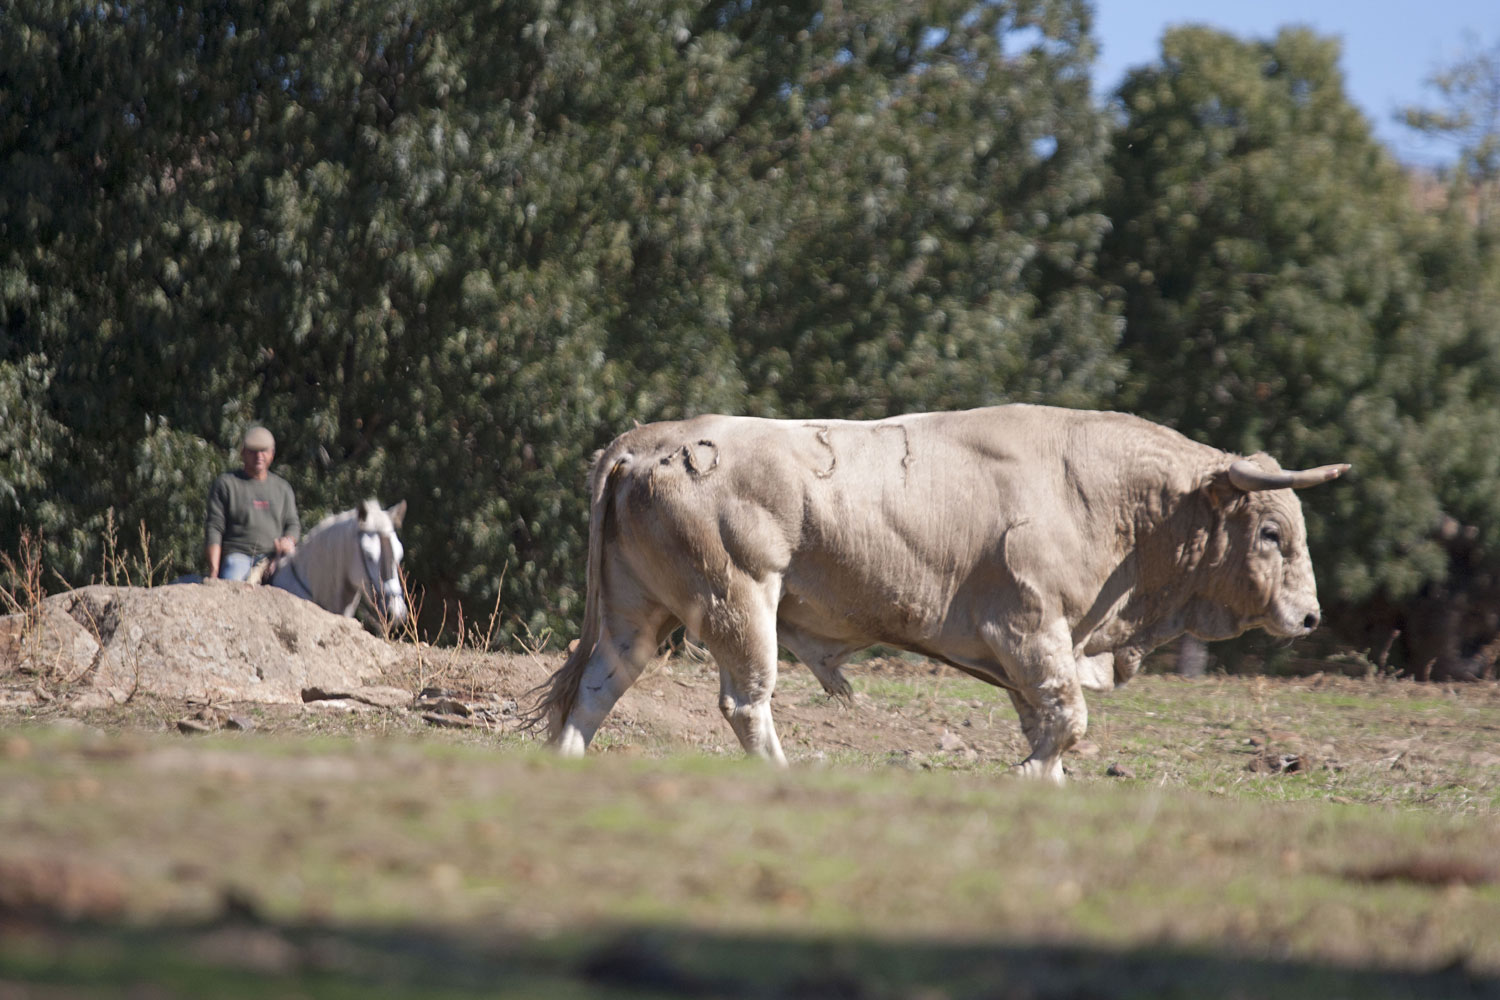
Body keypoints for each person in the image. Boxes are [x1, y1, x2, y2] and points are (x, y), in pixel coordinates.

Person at [204, 425, 300, 581]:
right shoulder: (227, 484)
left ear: (272, 454)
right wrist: (214, 571)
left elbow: (293, 524)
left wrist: (287, 541)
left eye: (264, 451)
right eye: (253, 451)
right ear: (243, 453)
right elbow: (214, 527)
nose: (259, 456)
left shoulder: (282, 488)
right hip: (239, 557)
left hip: (274, 558)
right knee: (233, 587)